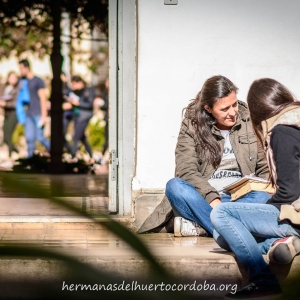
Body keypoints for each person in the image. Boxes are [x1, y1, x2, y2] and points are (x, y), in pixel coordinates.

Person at [138, 75, 271, 235]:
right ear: (208, 108)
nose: (233, 112)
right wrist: (213, 199)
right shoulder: (191, 124)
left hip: (239, 200)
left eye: (234, 104)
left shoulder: (248, 121)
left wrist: (265, 191)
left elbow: (264, 168)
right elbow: (186, 170)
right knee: (175, 187)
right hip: (204, 201)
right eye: (224, 109)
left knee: (264, 196)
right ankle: (233, 230)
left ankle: (208, 228)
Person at [211, 78, 300, 299]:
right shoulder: (294, 121)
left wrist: (262, 208)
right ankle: (282, 243)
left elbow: (289, 192)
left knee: (221, 214)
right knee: (222, 235)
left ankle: (263, 280)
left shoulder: (282, 132)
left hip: (295, 213)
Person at [18, 59, 50, 157]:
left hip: (38, 113)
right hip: (29, 113)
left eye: (21, 68)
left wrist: (44, 116)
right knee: (30, 138)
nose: (20, 71)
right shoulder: (23, 82)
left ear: (27, 68)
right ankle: (30, 159)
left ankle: (56, 153)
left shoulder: (37, 81)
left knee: (40, 137)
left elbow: (43, 98)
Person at [64, 75, 94, 159]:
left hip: (84, 116)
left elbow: (90, 104)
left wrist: (78, 103)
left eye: (74, 84)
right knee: (82, 137)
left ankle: (73, 156)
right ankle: (91, 155)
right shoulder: (76, 91)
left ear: (80, 82)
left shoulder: (88, 90)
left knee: (76, 137)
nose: (73, 87)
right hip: (77, 116)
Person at [0, 72, 19, 157]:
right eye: (11, 77)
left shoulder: (17, 89)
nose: (13, 79)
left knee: (9, 134)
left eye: (15, 77)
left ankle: (12, 152)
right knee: (5, 134)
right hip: (6, 113)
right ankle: (14, 149)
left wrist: (6, 104)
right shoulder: (4, 87)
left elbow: (16, 103)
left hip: (14, 113)